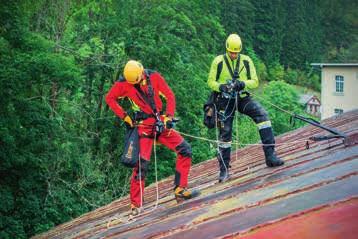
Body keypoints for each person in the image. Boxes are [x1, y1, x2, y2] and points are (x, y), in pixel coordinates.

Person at [106, 60, 197, 216]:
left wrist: (168, 117)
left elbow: (169, 95)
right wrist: (125, 117)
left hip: (160, 122)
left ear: (142, 71)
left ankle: (180, 188)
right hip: (143, 127)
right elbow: (110, 98)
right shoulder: (124, 83)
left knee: (185, 150)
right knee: (141, 165)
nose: (139, 81)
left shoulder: (154, 76)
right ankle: (136, 205)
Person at [207, 33, 284, 183]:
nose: (234, 55)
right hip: (224, 100)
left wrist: (243, 84)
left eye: (236, 52)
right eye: (231, 52)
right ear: (227, 49)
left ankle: (270, 155)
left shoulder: (246, 61)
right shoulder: (219, 62)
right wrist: (221, 87)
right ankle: (224, 170)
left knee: (262, 116)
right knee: (225, 132)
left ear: (240, 50)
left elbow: (255, 81)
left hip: (242, 98)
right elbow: (210, 82)